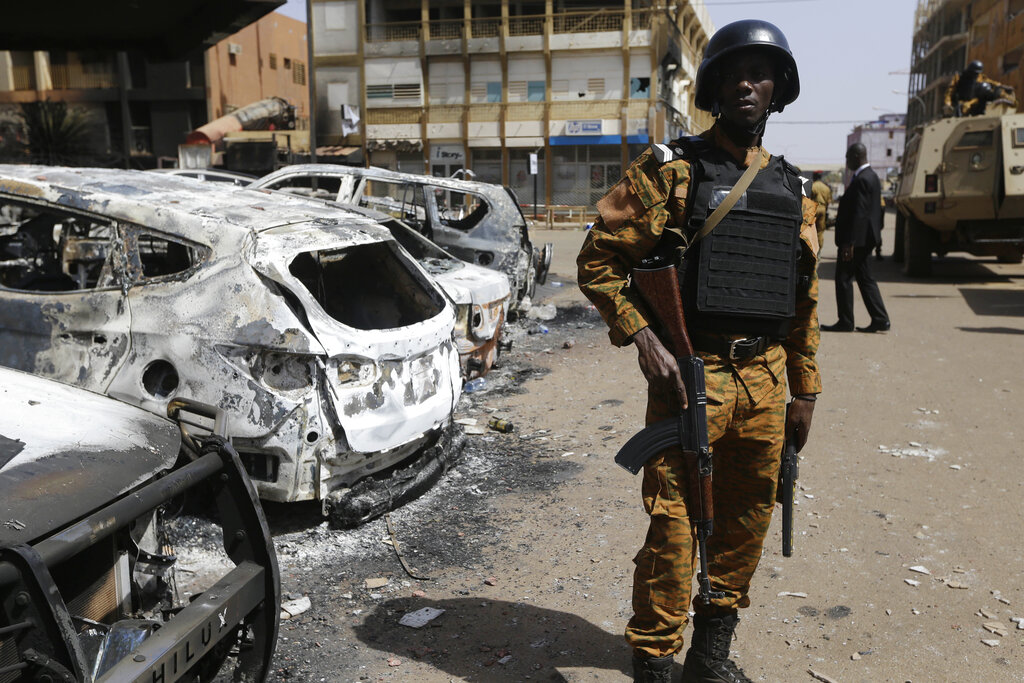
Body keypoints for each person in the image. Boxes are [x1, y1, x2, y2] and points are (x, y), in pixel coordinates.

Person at [576, 19, 821, 683]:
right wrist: (642, 334)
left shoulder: (798, 192)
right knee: (676, 530)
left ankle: (710, 658)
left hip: (767, 379)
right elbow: (597, 260)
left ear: (778, 89)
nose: (747, 83)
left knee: (744, 524)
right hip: (694, 373)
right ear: (713, 85)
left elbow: (803, 299)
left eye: (760, 72)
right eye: (733, 72)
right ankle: (655, 657)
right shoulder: (673, 174)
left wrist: (805, 387)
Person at [822, 143, 890, 333]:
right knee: (865, 278)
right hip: (865, 238)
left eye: (848, 157)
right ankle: (880, 319)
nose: (847, 161)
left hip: (857, 241)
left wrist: (849, 243)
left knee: (843, 278)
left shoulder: (862, 179)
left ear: (856, 156)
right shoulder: (872, 176)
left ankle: (846, 321)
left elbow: (859, 213)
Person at [943, 60, 1016, 117]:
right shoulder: (959, 78)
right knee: (964, 107)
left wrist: (1001, 86)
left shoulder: (980, 78)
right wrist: (948, 104)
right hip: (962, 103)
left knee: (992, 91)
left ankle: (1010, 101)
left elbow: (991, 82)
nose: (975, 75)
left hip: (976, 102)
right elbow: (950, 92)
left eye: (977, 74)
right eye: (974, 73)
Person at [810, 170, 832, 250]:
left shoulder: (812, 186)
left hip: (813, 208)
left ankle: (811, 249)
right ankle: (818, 250)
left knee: (811, 229)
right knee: (820, 231)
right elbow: (829, 201)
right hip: (823, 209)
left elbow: (808, 199)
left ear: (815, 176)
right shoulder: (826, 188)